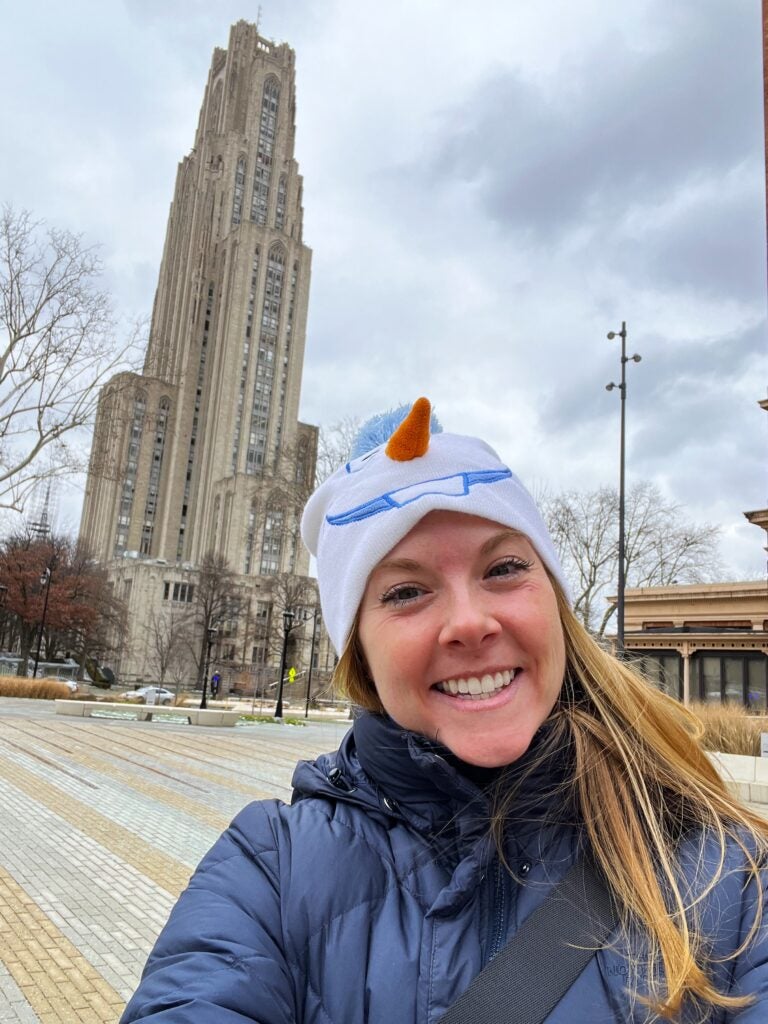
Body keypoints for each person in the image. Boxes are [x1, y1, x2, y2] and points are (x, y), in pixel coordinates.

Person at [121, 398, 768, 1023]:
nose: (469, 623)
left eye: (504, 568)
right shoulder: (268, 873)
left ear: (556, 602)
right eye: (406, 591)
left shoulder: (731, 880)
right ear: (361, 657)